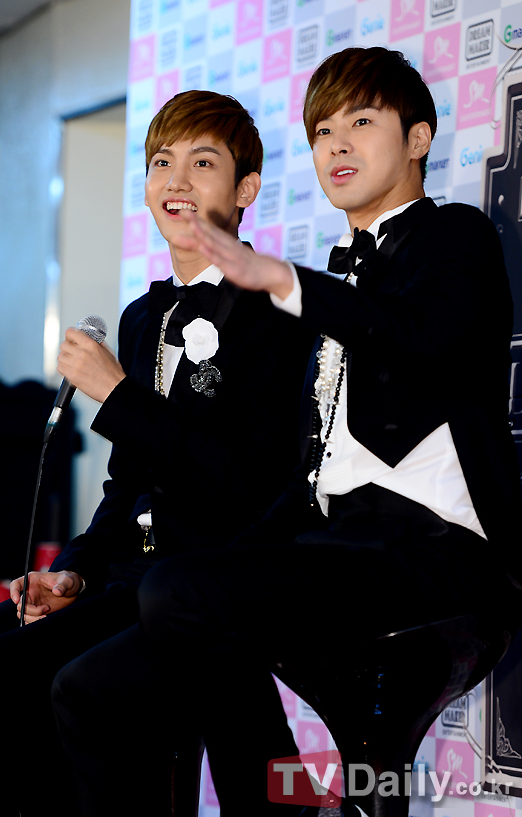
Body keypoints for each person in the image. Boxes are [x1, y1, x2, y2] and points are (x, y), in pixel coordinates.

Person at [124, 47, 522, 813]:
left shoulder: (456, 236)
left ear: (419, 138)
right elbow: (314, 474)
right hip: (347, 542)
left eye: (360, 122)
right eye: (321, 131)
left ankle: (282, 807)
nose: (336, 144)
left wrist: (283, 281)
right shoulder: (340, 290)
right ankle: (285, 801)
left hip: (441, 554)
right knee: (174, 590)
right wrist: (225, 559)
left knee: (182, 592)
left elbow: (424, 338)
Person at [0, 90, 313, 817]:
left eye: (203, 163)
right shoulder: (141, 317)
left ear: (247, 189)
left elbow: (251, 480)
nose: (176, 181)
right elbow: (125, 485)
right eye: (162, 162)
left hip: (202, 587)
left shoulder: (279, 312)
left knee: (44, 681)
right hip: (123, 581)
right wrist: (71, 570)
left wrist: (118, 394)